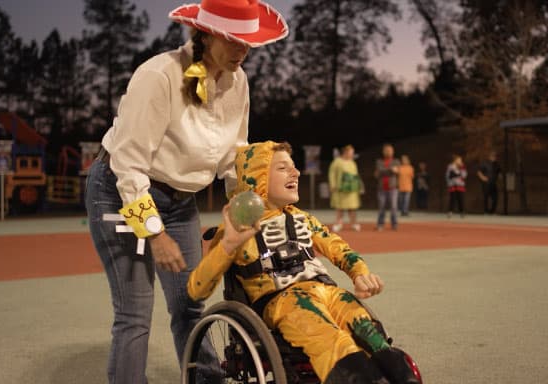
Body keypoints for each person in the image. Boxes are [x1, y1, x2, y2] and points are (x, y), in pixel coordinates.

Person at [83, 1, 289, 383]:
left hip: (179, 203)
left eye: (248, 43)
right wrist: (154, 232)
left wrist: (248, 211)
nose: (243, 51)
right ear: (206, 34)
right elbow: (127, 165)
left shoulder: (238, 81)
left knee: (190, 303)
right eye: (233, 40)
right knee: (134, 315)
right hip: (119, 192)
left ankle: (206, 380)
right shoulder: (159, 76)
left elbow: (234, 158)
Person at [188, 141, 421, 384]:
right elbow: (197, 289)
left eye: (294, 166)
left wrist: (359, 272)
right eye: (282, 168)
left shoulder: (302, 218)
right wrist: (227, 245)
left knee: (369, 333)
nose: (296, 173)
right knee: (331, 341)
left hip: (328, 292)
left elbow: (337, 247)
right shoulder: (237, 227)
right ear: (257, 177)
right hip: (285, 300)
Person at [329, 145, 363, 232]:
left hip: (351, 190)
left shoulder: (353, 162)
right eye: (351, 152)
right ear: (345, 152)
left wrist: (359, 186)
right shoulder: (337, 162)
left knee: (352, 208)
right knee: (340, 208)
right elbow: (332, 174)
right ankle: (338, 224)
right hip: (340, 189)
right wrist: (332, 185)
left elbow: (356, 176)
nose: (352, 154)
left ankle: (354, 223)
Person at [374, 144, 400, 230]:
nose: (388, 152)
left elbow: (396, 171)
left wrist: (383, 170)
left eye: (390, 150)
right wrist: (390, 169)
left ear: (393, 151)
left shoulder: (396, 161)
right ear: (383, 152)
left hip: (393, 188)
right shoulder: (379, 161)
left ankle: (394, 224)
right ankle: (380, 224)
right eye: (387, 150)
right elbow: (379, 170)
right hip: (381, 188)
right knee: (381, 206)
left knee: (393, 207)